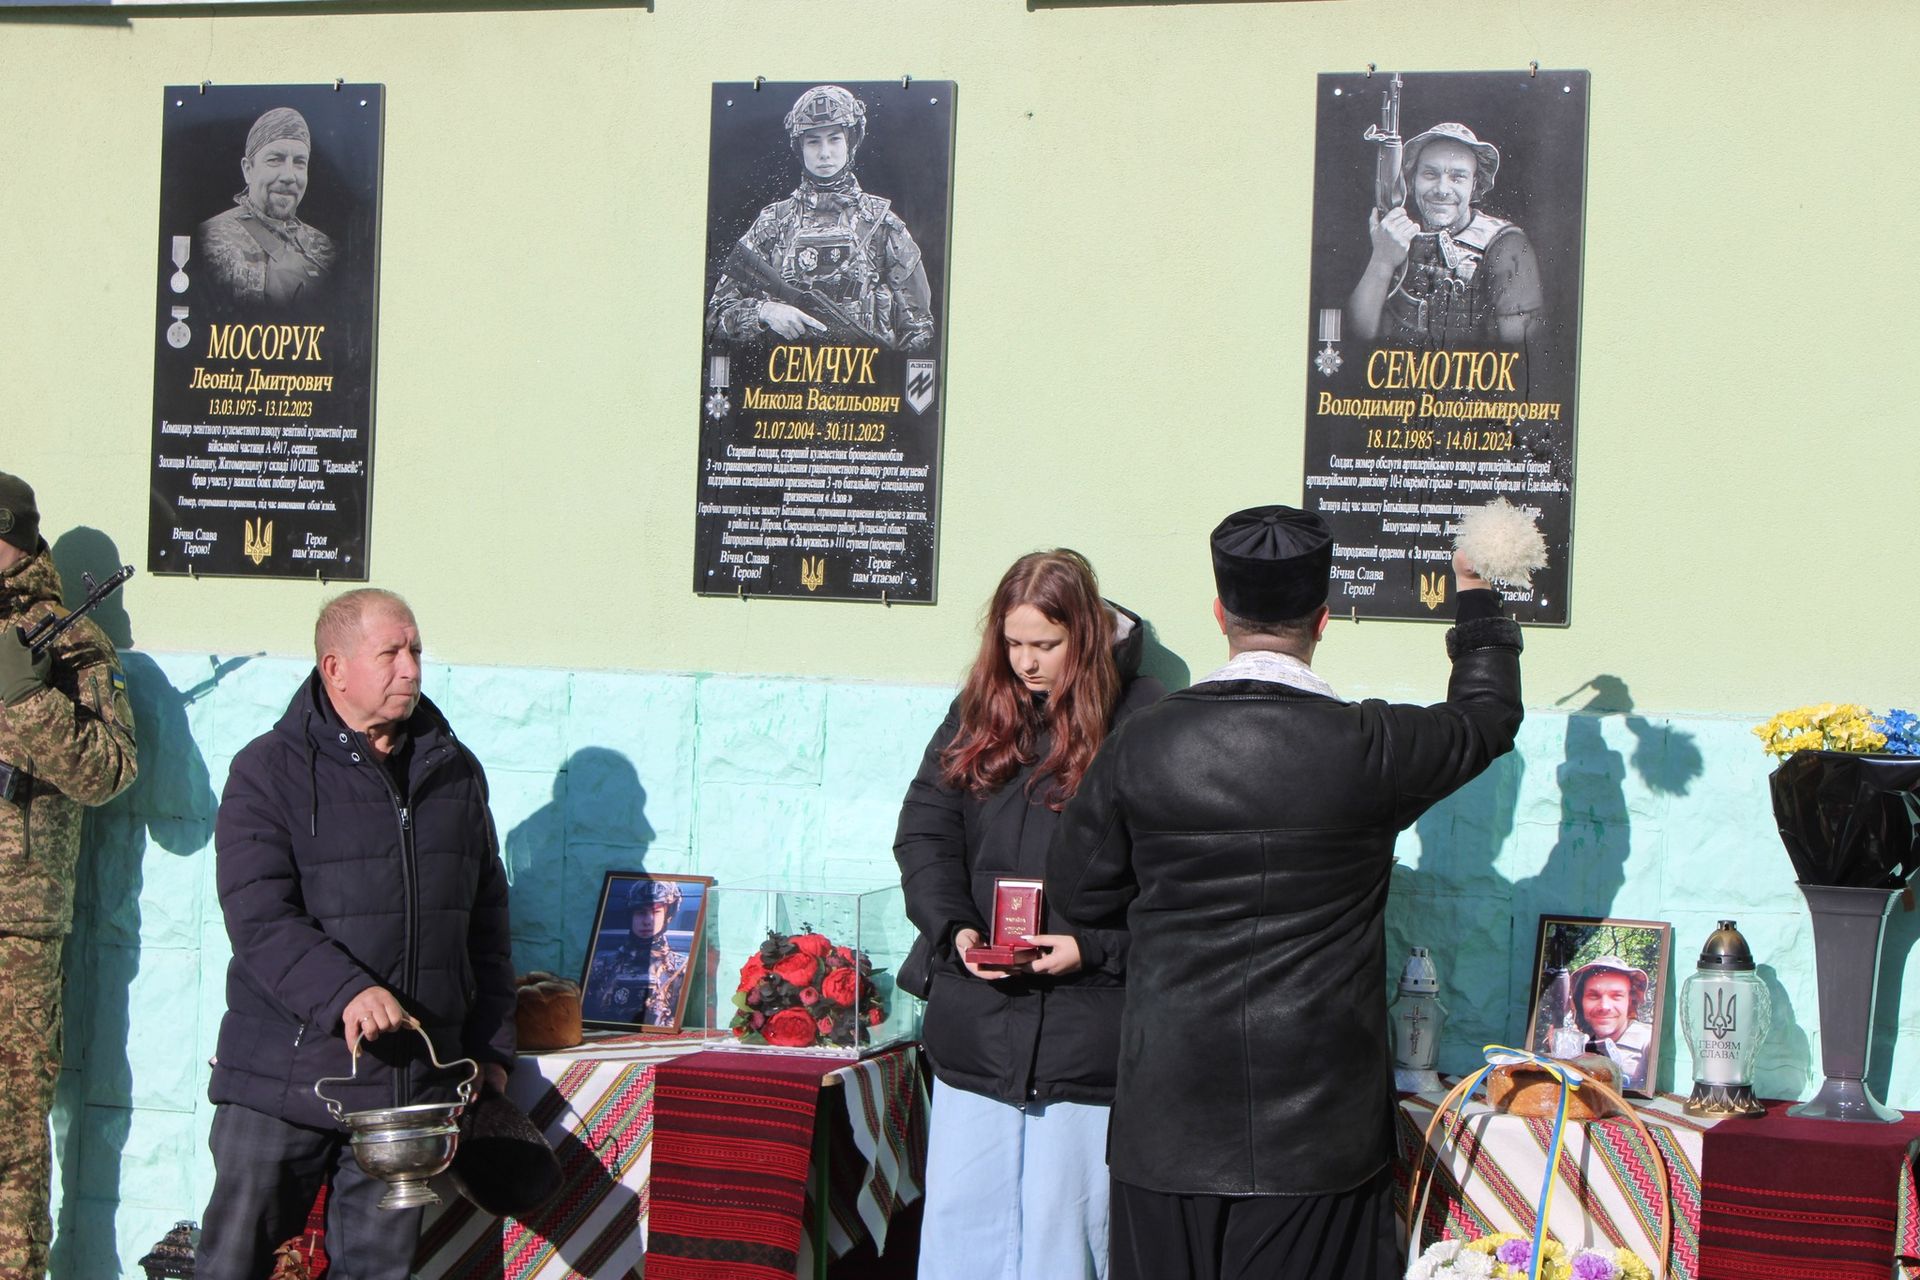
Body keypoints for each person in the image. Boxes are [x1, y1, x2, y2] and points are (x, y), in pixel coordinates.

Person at [1047, 506, 1524, 1280]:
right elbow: (1487, 716)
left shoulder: (1143, 743)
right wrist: (1474, 591)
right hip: (1321, 1132)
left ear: (1219, 614)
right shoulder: (1370, 747)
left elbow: (1078, 893)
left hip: (1167, 1117)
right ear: (1322, 620)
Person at [196, 589, 515, 1280]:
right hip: (281, 1079)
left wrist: (491, 1048)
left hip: (406, 1093)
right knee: (233, 1264)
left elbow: (486, 923)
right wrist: (346, 992)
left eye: (416, 650)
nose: (411, 668)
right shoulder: (266, 771)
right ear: (335, 668)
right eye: (390, 653)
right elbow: (257, 914)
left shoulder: (456, 771)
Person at [894, 551, 1162, 1280]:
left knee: (1065, 1236)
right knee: (962, 1228)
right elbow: (924, 832)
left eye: (1045, 644)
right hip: (977, 1024)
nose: (1026, 663)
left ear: (1086, 634)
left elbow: (1170, 877)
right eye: (1012, 643)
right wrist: (954, 927)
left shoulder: (1143, 716)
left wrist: (1092, 949)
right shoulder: (979, 708)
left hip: (1086, 1031)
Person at [0, 472, 137, 1280]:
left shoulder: (68, 641)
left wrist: (28, 700)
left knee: (11, 1138)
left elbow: (110, 771)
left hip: (14, 927)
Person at [706, 84, 935, 351]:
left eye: (834, 139)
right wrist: (765, 311)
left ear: (850, 142)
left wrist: (886, 370)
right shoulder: (773, 224)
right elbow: (715, 317)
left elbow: (920, 330)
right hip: (781, 376)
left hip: (867, 375)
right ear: (800, 147)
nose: (824, 152)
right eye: (813, 141)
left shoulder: (882, 224)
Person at [1345, 122, 1544, 347]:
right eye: (1430, 174)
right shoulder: (1389, 234)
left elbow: (1519, 349)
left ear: (1474, 185)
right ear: (1412, 180)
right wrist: (1382, 260)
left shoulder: (1505, 244)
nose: (1442, 190)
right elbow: (1357, 336)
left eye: (1457, 177)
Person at [197, 106, 338, 309]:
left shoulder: (327, 251)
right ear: (248, 170)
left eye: (299, 162)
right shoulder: (207, 241)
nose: (289, 176)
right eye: (275, 160)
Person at [582, 879, 690, 1026]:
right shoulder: (602, 965)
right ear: (631, 915)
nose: (648, 921)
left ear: (667, 916)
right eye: (641, 913)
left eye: (656, 912)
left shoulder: (681, 968)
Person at [1563, 956, 1654, 1091]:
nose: (1604, 1006)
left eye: (1616, 996)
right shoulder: (1574, 1040)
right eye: (1594, 996)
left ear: (1630, 1001)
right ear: (1580, 1001)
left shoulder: (1648, 1041)